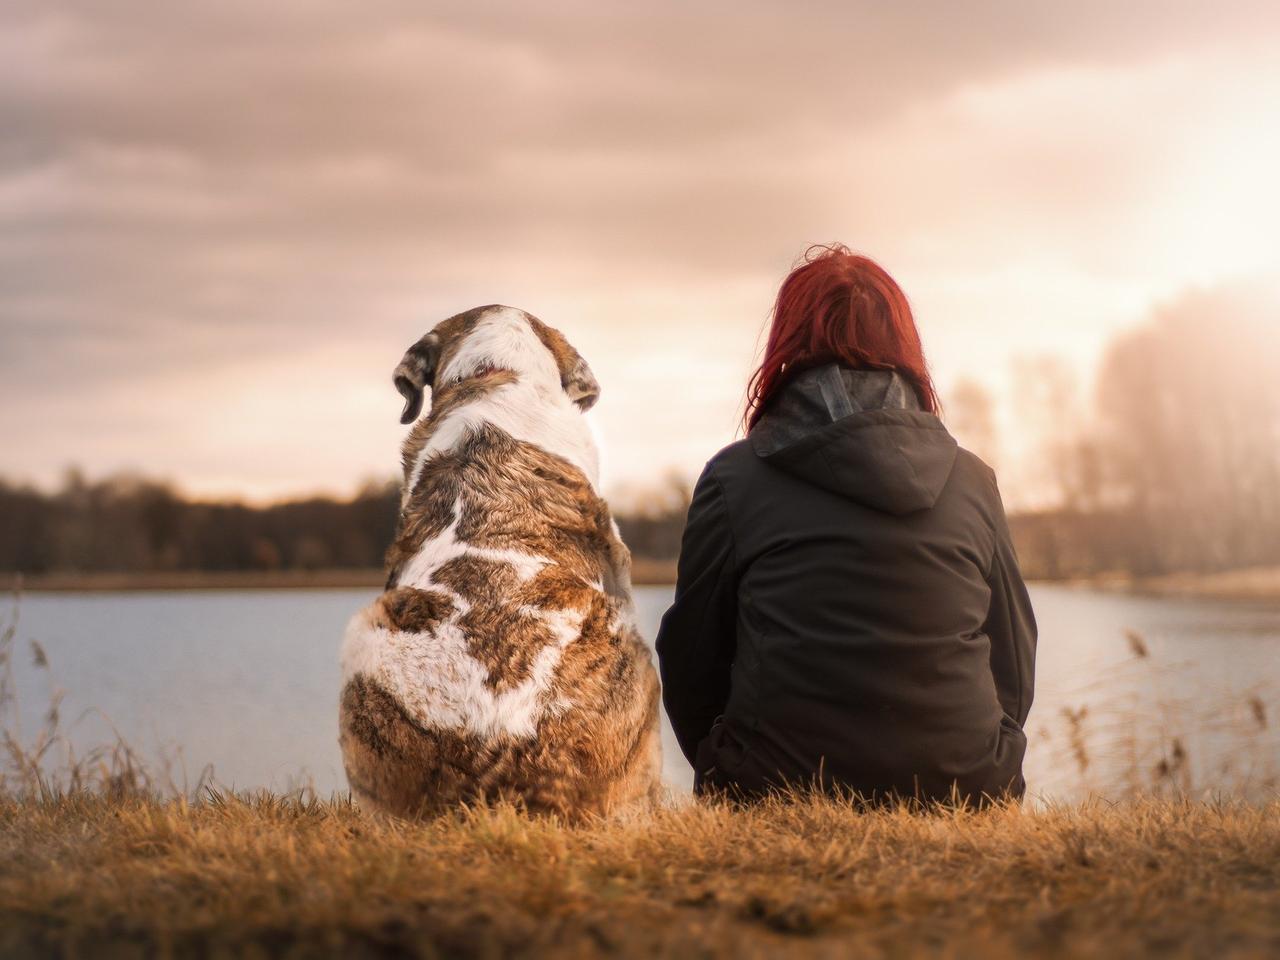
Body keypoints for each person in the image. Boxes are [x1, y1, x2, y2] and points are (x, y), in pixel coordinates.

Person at [655, 244, 1037, 805]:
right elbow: (1014, 655)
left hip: (774, 787)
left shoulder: (734, 479)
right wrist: (986, 754)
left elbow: (691, 658)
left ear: (786, 344)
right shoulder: (972, 479)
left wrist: (725, 763)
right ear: (904, 345)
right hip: (966, 788)